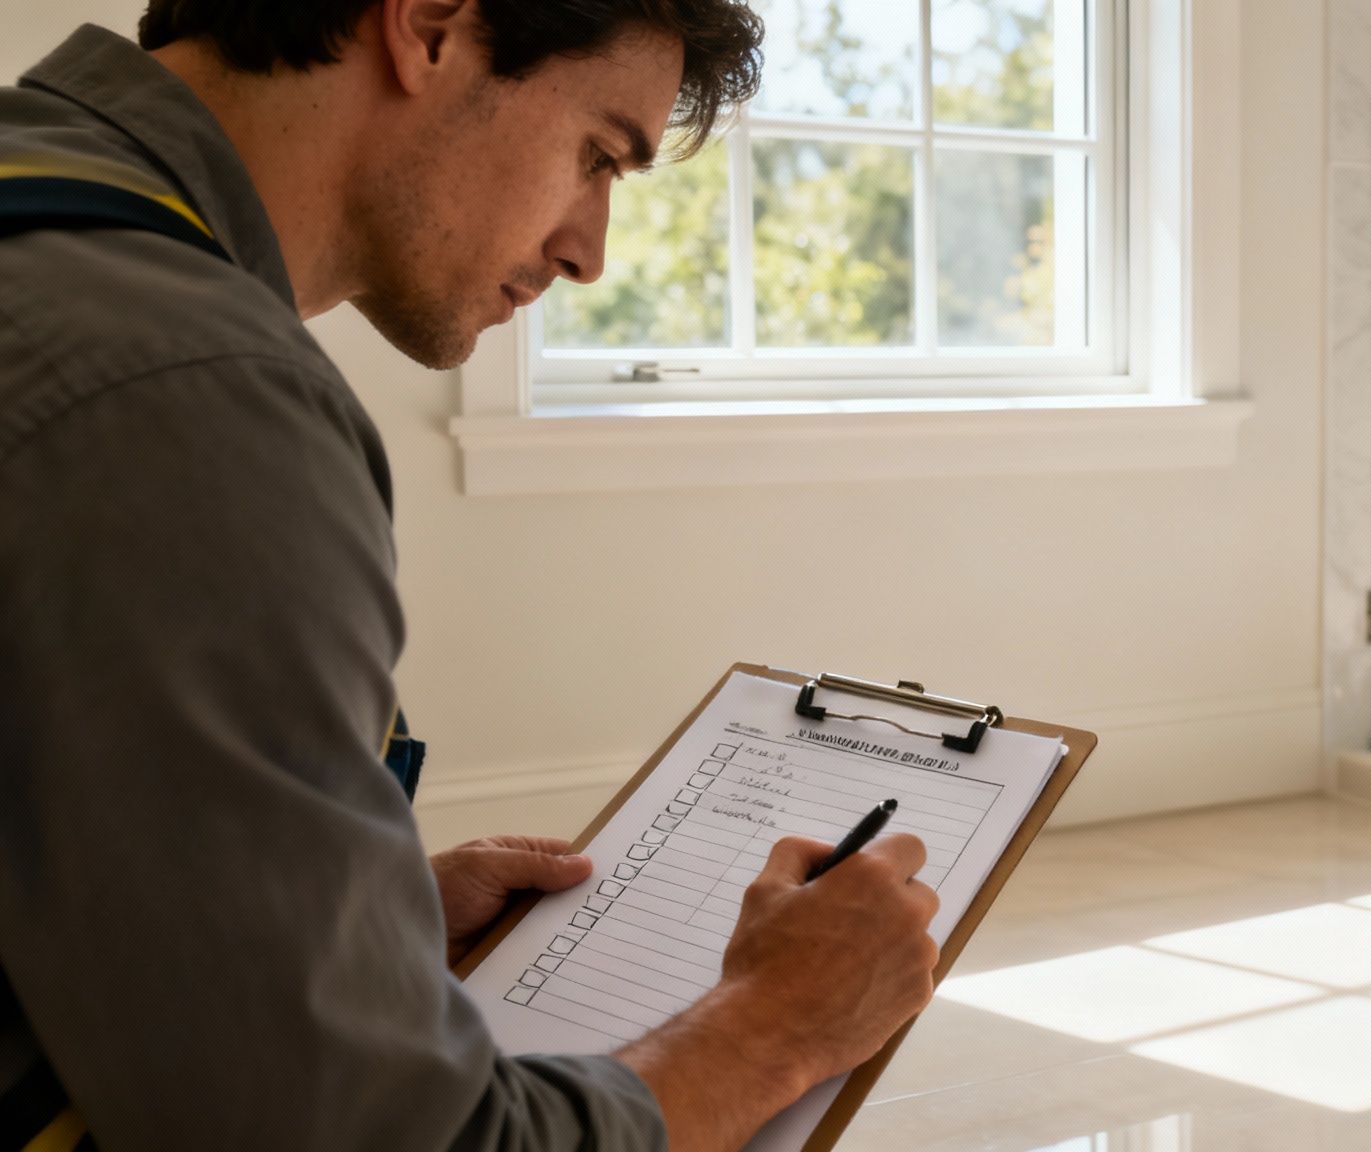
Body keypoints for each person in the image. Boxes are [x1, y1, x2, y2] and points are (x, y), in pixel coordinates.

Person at [0, 3, 942, 1150]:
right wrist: (772, 1029)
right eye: (596, 155)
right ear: (431, 25)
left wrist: (336, 921)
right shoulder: (189, 400)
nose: (588, 253)